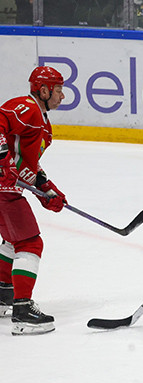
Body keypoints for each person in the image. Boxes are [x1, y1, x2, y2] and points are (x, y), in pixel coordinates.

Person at [0, 66, 67, 336]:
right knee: (30, 242)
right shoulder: (26, 107)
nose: (62, 96)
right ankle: (23, 311)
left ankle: (4, 293)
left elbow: (27, 164)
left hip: (8, 189)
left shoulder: (43, 124)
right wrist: (1, 158)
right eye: (58, 90)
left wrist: (46, 189)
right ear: (44, 90)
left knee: (12, 240)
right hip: (2, 189)